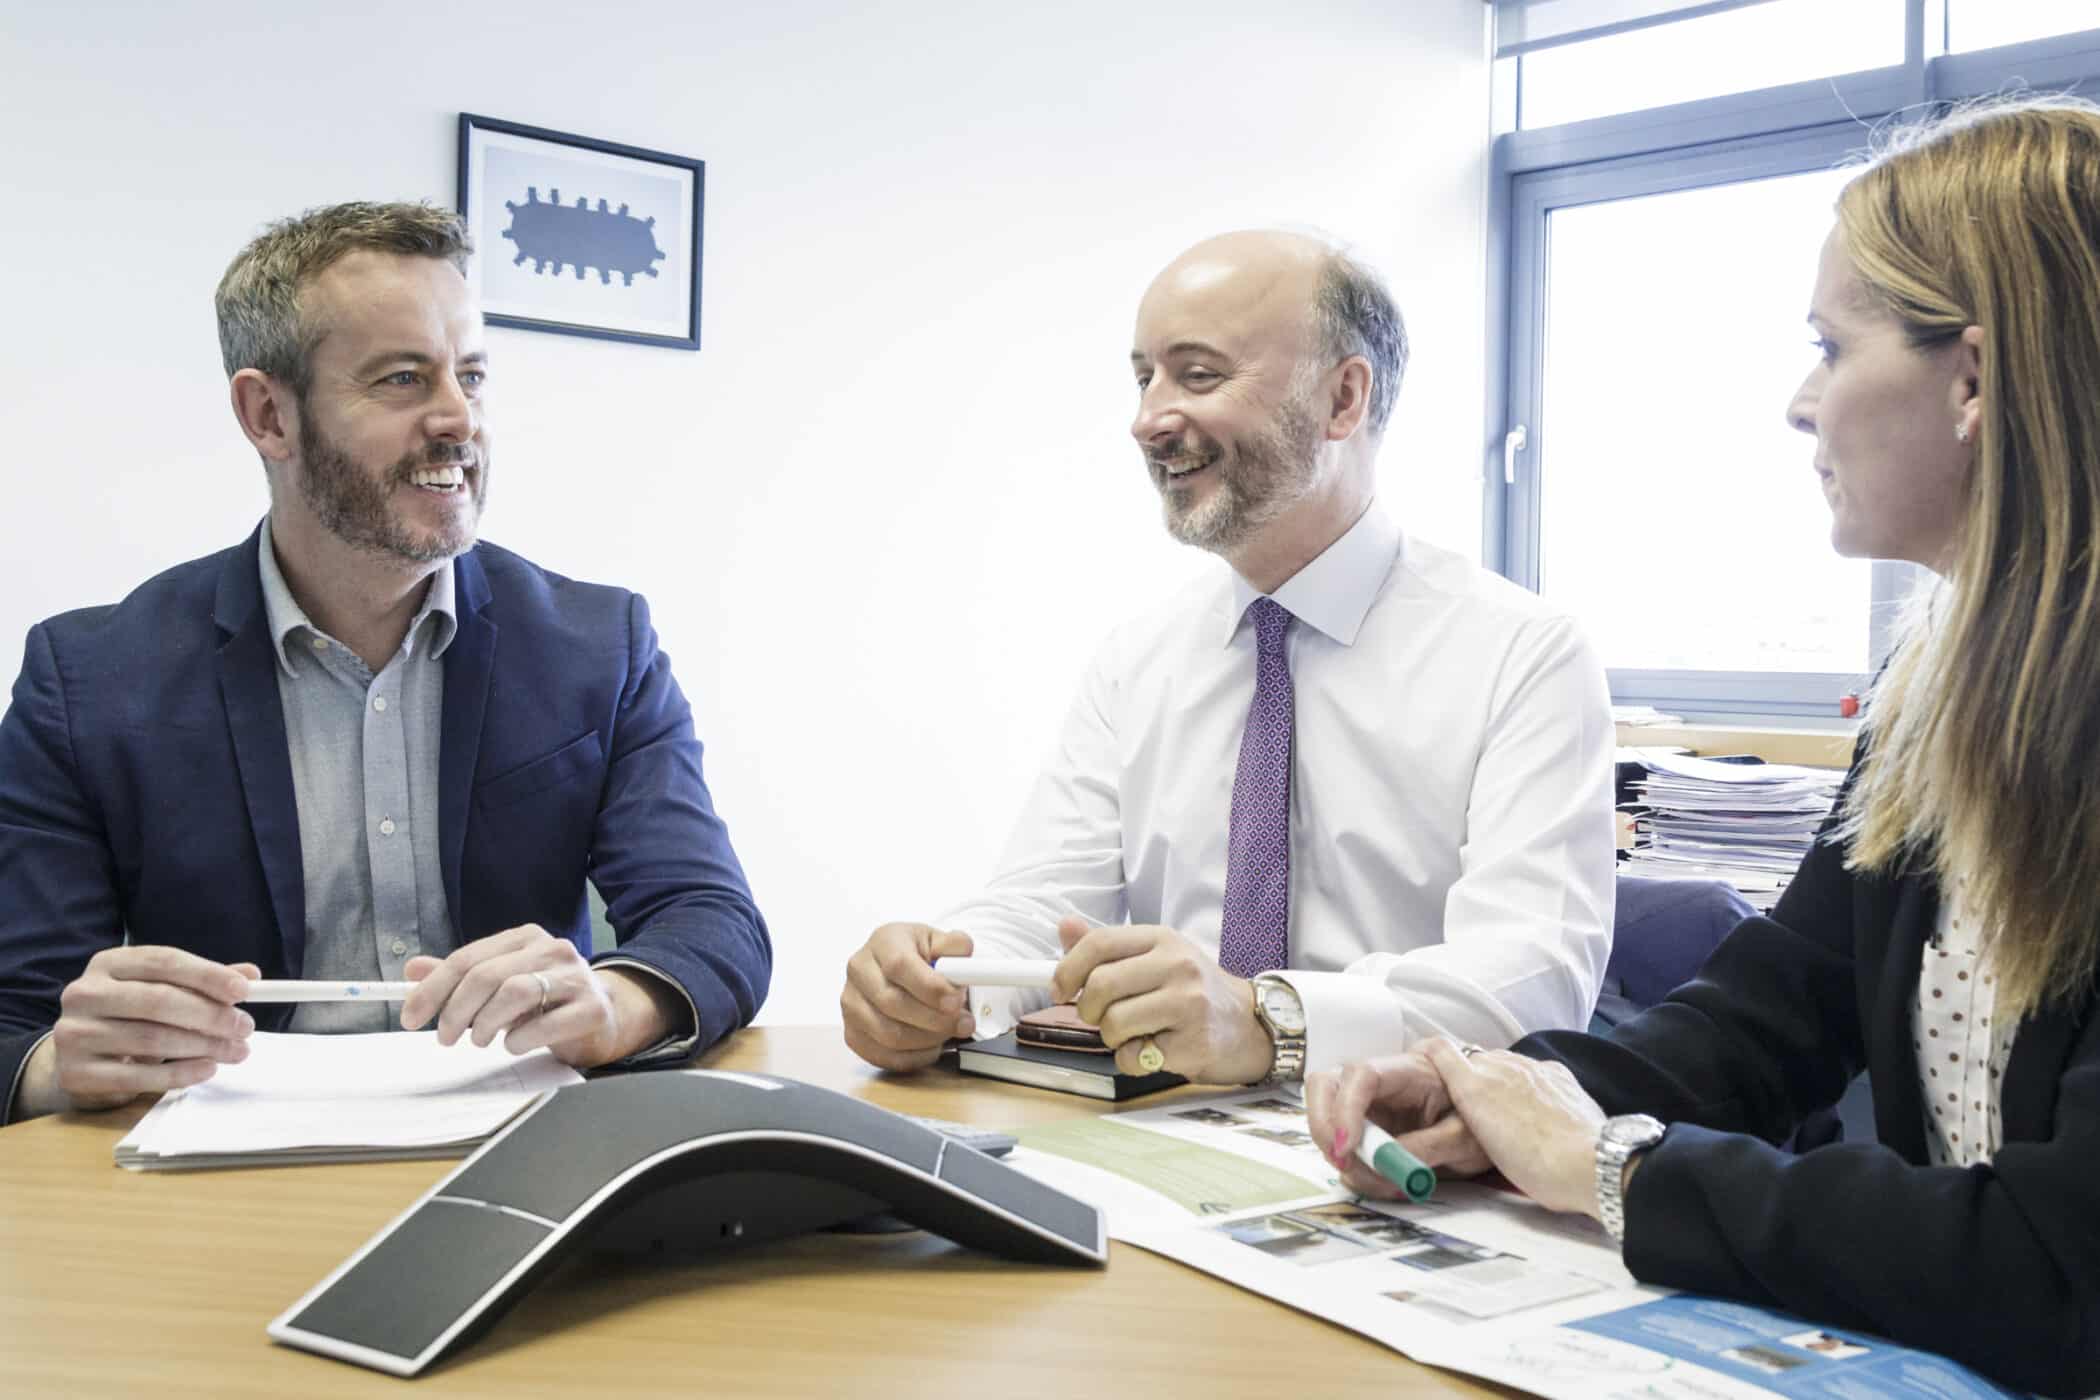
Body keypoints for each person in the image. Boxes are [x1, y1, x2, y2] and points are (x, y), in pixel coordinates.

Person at [1306, 96, 2100, 1397]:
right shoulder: (1934, 691)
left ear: (1973, 379)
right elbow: (1777, 1008)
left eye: (1831, 349)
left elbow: (2061, 1268)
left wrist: (1619, 1170)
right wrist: (1498, 1094)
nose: (1801, 406)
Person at [0, 201, 770, 1123]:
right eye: (403, 380)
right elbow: (19, 1015)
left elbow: (713, 921)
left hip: (526, 1148)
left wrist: (615, 1005)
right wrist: (66, 1060)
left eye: (472, 376)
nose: (458, 419)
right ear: (268, 415)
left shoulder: (598, 645)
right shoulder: (88, 680)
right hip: (215, 1176)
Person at [842, 230, 1616, 1087]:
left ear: (1342, 400)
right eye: (1144, 378)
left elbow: (1529, 987)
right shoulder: (1139, 659)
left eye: (1198, 375)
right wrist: (944, 978)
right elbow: (1044, 906)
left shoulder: (1523, 656)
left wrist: (1266, 1024)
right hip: (1156, 1140)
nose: (1147, 421)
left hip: (1413, 1153)